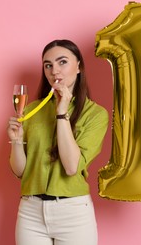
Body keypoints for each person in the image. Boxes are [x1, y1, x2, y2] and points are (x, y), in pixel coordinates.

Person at [7, 39, 109, 245]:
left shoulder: (96, 114)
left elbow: (71, 167)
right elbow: (21, 172)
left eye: (62, 62)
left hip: (73, 213)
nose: (55, 71)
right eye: (48, 65)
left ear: (79, 66)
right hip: (31, 212)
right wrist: (17, 142)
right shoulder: (30, 111)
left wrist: (62, 113)